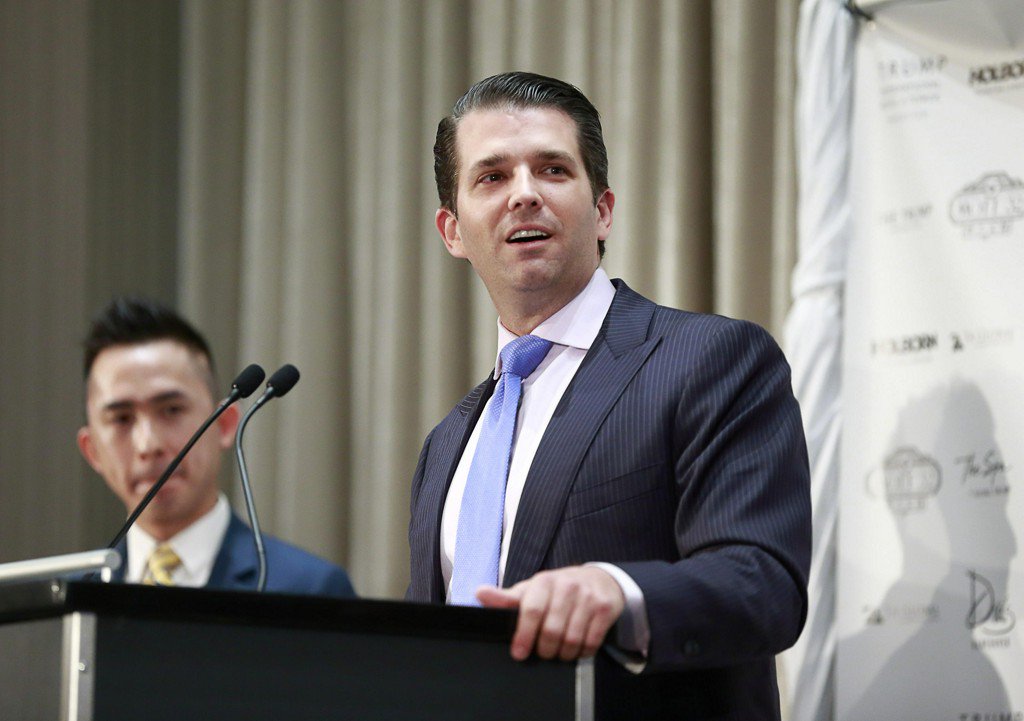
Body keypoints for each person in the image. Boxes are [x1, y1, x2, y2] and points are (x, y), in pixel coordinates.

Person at [407, 72, 811, 719]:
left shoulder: (709, 359)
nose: (524, 194)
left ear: (602, 211)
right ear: (452, 231)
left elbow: (764, 584)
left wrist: (618, 590)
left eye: (553, 169)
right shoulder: (446, 444)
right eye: (492, 176)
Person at [77, 296, 354, 597]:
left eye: (171, 410)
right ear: (92, 451)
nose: (148, 444)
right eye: (122, 418)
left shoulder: (309, 590)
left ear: (224, 424)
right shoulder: (67, 598)